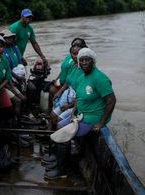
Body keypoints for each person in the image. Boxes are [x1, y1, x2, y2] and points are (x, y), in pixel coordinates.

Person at [43, 47, 116, 179]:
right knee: (59, 126)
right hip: (81, 114)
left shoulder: (99, 78)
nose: (83, 63)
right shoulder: (83, 75)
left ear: (93, 61)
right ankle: (57, 159)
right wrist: (74, 111)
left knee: (63, 136)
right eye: (81, 60)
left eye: (87, 60)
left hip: (92, 118)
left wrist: (101, 122)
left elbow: (111, 100)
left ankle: (61, 170)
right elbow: (78, 96)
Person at [49, 44, 83, 130]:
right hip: (69, 97)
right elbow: (67, 82)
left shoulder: (84, 71)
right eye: (73, 54)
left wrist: (69, 106)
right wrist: (59, 92)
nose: (75, 56)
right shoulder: (73, 66)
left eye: (78, 53)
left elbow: (82, 97)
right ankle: (53, 134)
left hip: (77, 104)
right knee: (52, 115)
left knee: (59, 121)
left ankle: (64, 140)